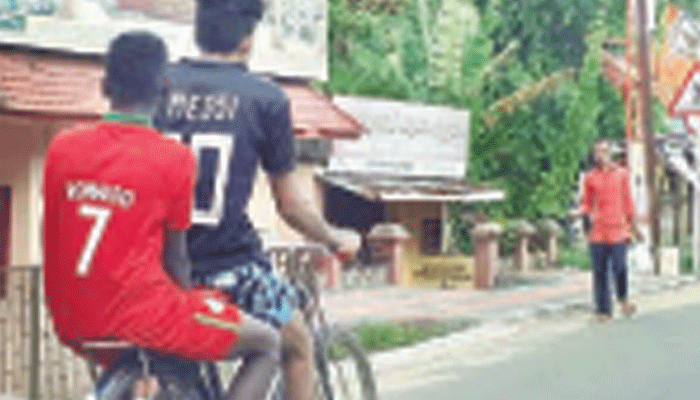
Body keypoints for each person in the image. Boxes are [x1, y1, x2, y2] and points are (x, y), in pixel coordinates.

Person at [43, 31, 282, 400]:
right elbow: (176, 259)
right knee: (267, 343)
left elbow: (56, 232)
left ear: (105, 85)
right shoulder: (173, 159)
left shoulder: (63, 148)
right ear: (164, 88)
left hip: (72, 320)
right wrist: (192, 297)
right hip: (141, 318)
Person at [153, 0, 361, 398]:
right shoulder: (266, 98)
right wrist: (336, 239)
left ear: (199, 30)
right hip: (228, 268)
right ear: (248, 39)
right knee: (296, 344)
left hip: (160, 267)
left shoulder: (158, 85)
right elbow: (290, 205)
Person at [572, 138, 641, 323]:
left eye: (604, 151)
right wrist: (581, 214)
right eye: (597, 152)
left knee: (620, 266)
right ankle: (603, 310)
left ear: (610, 153)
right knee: (600, 272)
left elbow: (628, 202)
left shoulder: (621, 175)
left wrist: (633, 226)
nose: (600, 155)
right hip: (598, 231)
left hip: (618, 230)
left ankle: (623, 297)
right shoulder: (590, 177)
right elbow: (586, 202)